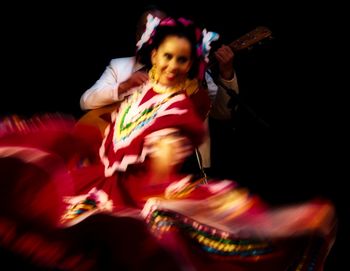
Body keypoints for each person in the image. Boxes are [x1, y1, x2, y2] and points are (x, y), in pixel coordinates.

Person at [0, 15, 336, 271]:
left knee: (189, 239)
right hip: (103, 184)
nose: (173, 65)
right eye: (167, 56)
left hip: (141, 195)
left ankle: (287, 230)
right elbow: (94, 115)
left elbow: (209, 120)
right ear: (151, 52)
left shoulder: (180, 104)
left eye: (182, 60)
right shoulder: (132, 85)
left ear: (191, 64)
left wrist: (160, 176)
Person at [79, 6, 239, 173]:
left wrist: (226, 73)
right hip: (125, 165)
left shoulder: (192, 73)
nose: (155, 32)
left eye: (161, 27)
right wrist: (124, 86)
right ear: (137, 35)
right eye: (148, 27)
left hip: (184, 166)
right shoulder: (119, 66)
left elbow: (223, 113)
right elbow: (86, 101)